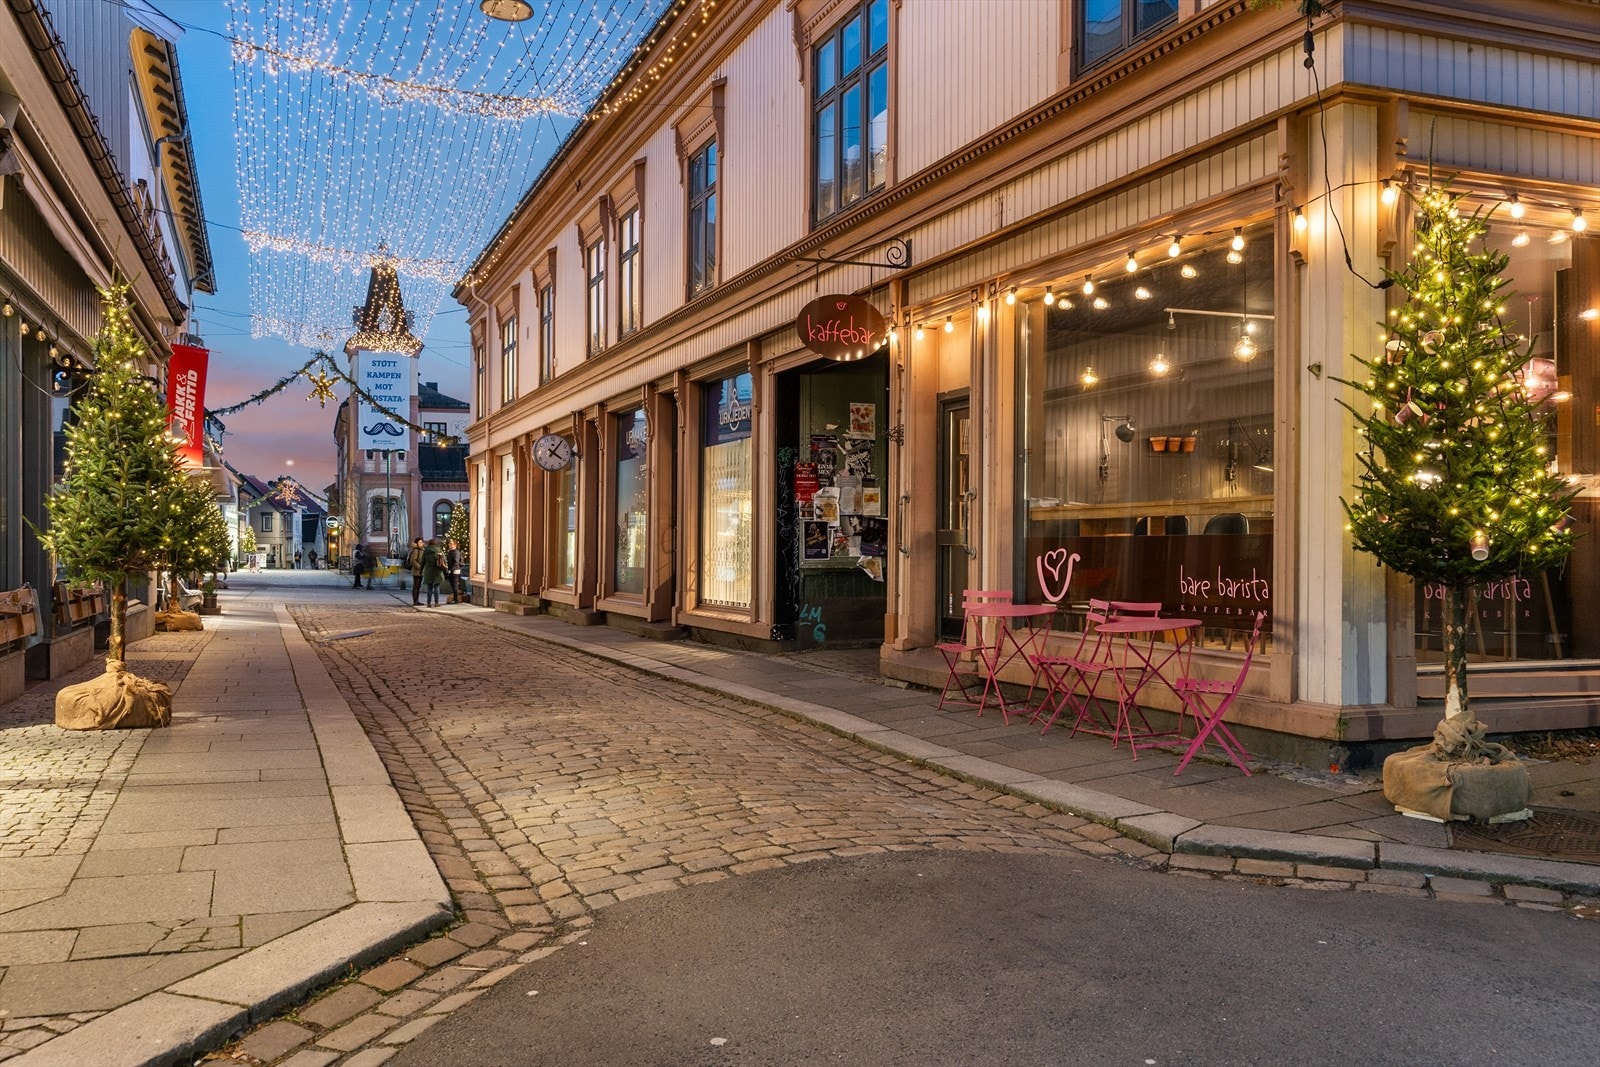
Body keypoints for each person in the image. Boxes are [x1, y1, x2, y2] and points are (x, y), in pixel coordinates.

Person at [421, 538, 444, 607]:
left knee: (429, 588)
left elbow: (422, 562)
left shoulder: (426, 551)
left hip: (428, 571)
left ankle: (428, 603)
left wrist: (421, 570)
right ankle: (436, 602)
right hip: (437, 570)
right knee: (436, 587)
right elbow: (444, 560)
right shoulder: (439, 550)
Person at [405, 537, 425, 605]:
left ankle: (417, 600)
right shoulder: (416, 550)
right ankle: (415, 601)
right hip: (416, 571)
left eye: (421, 542)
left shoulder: (422, 550)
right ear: (416, 543)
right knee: (416, 586)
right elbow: (413, 560)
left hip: (421, 571)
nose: (421, 543)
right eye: (420, 542)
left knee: (418, 586)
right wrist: (419, 567)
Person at [445, 539, 462, 604]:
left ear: (455, 545)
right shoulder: (450, 551)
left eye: (451, 544)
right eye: (449, 543)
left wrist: (451, 570)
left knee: (455, 585)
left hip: (455, 570)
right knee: (453, 585)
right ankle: (455, 598)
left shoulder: (456, 552)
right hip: (451, 570)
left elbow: (456, 561)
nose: (449, 544)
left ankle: (456, 599)